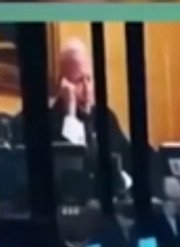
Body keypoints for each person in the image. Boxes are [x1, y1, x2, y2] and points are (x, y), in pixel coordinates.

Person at [47, 38, 132, 199]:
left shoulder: (104, 116)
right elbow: (70, 168)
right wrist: (71, 113)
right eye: (79, 81)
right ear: (63, 84)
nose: (87, 89)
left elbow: (129, 157)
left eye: (89, 79)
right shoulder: (48, 119)